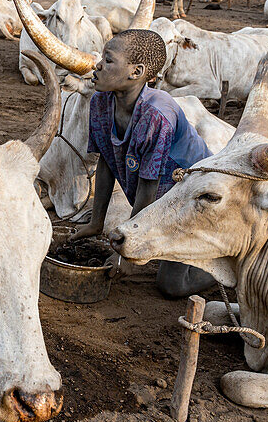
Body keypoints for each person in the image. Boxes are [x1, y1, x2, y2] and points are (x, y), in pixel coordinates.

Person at [69, 29, 215, 298]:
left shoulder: (157, 115)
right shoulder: (101, 102)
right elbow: (106, 162)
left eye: (109, 60)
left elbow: (149, 187)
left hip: (192, 202)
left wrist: (130, 251)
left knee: (171, 286)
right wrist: (96, 221)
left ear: (135, 72)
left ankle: (220, 265)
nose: (98, 65)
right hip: (160, 201)